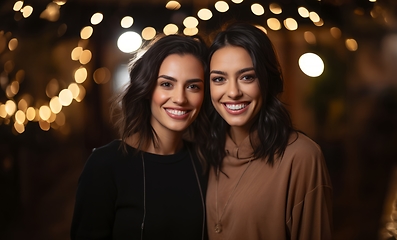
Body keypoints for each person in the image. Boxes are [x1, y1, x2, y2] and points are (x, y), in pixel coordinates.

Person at [70, 34, 210, 240]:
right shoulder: (105, 165)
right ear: (146, 88)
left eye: (193, 86)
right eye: (166, 84)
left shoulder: (206, 161)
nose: (180, 98)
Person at [204, 22, 333, 240]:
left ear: (267, 80)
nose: (233, 92)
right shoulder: (205, 151)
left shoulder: (301, 156)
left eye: (247, 77)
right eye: (219, 79)